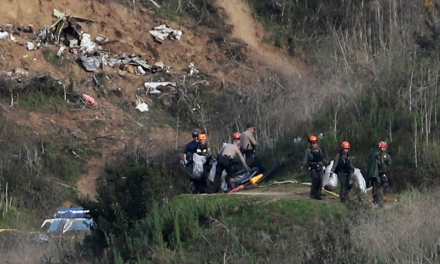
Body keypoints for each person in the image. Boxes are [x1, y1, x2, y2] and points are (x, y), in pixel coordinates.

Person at [299, 135, 329, 200]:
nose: (314, 144)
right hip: (312, 167)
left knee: (320, 180)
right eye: (312, 143)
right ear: (310, 144)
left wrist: (327, 163)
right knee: (315, 179)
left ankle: (318, 194)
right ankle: (313, 193)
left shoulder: (319, 150)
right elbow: (305, 160)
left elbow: (322, 159)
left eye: (315, 143)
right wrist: (302, 167)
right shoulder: (308, 151)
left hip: (319, 167)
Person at [366, 141, 392, 208]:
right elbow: (372, 164)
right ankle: (379, 202)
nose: (383, 149)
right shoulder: (375, 155)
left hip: (384, 174)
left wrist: (387, 162)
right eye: (382, 147)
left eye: (384, 148)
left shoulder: (387, 155)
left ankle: (378, 199)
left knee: (385, 187)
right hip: (377, 175)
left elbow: (390, 163)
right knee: (378, 188)